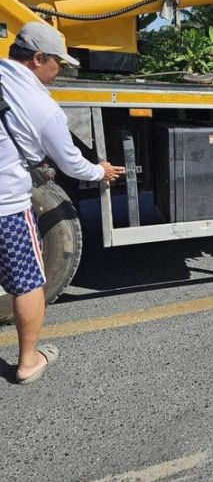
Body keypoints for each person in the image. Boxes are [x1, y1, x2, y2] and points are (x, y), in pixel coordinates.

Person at [0, 21, 125, 385]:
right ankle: (27, 362)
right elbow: (71, 164)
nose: (61, 71)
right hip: (6, 205)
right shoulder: (42, 108)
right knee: (27, 283)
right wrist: (100, 171)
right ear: (38, 58)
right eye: (58, 63)